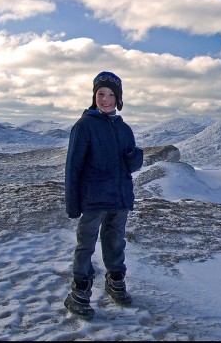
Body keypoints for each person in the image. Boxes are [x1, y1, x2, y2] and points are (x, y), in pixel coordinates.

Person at [63, 71, 144, 319]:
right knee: (86, 245)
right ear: (94, 96)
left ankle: (115, 282)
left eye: (111, 95)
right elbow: (73, 166)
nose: (106, 100)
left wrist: (136, 157)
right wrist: (72, 203)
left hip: (119, 198)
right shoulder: (84, 126)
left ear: (118, 98)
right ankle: (79, 293)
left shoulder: (124, 128)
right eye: (101, 94)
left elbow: (130, 165)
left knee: (115, 241)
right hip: (94, 198)